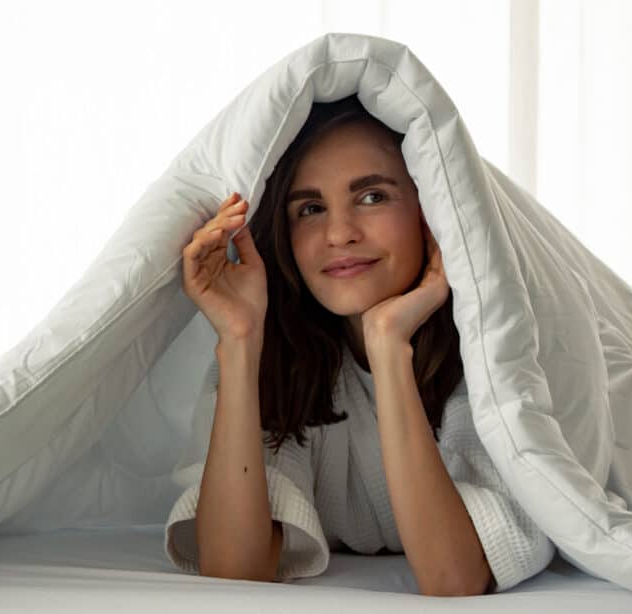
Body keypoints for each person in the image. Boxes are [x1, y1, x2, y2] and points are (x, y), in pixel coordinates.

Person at [164, 94, 555, 596]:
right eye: (310, 208)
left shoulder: (492, 356)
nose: (340, 233)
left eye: (372, 197)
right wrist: (239, 341)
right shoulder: (276, 360)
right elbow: (235, 571)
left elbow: (454, 578)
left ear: (429, 212)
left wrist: (389, 347)